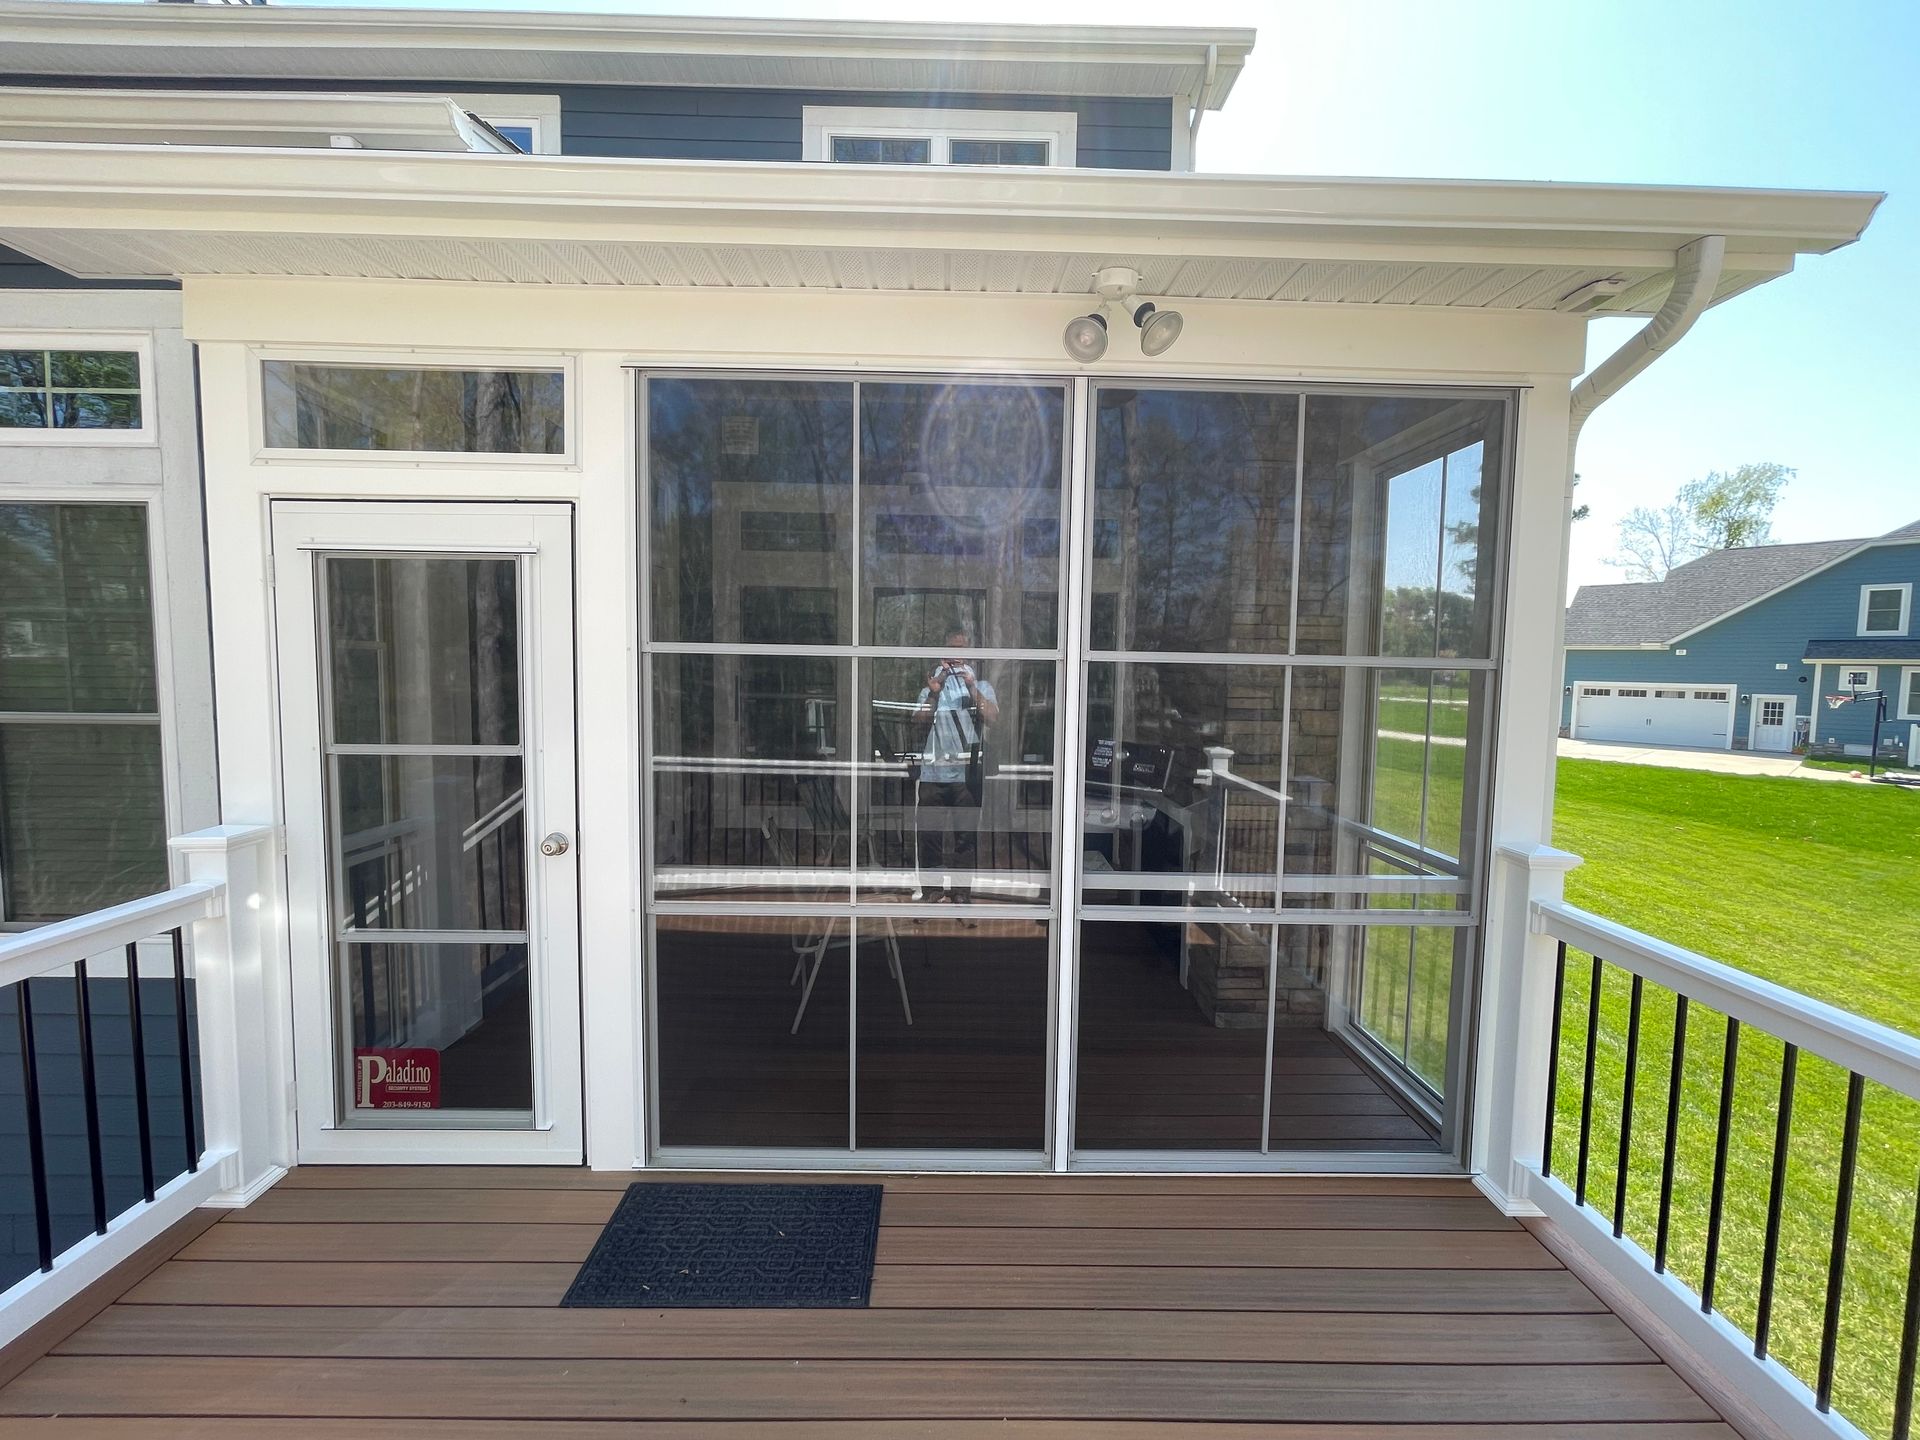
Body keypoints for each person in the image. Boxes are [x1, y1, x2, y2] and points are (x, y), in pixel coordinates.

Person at [912, 628, 998, 903]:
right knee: (929, 836)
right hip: (933, 772)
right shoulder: (931, 688)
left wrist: (972, 687)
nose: (957, 657)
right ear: (943, 653)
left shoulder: (981, 686)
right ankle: (932, 891)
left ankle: (961, 893)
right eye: (952, 650)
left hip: (966, 774)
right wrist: (935, 693)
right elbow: (917, 721)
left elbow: (992, 717)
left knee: (966, 837)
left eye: (962, 650)